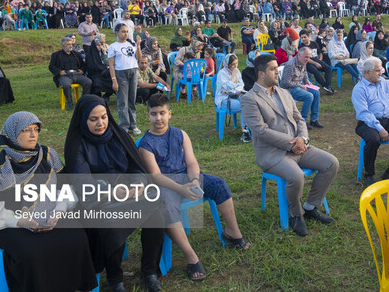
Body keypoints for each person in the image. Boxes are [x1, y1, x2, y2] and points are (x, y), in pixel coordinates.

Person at [0, 112, 98, 292]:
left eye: (36, 129)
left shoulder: (48, 155)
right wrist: (21, 221)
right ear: (12, 134)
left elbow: (65, 189)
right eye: (26, 130)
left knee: (77, 238)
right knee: (33, 252)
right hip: (11, 222)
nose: (33, 134)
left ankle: (72, 286)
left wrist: (58, 211)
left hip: (51, 212)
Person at [138, 94, 250, 282]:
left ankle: (233, 232)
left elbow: (191, 162)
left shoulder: (180, 134)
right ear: (148, 116)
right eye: (154, 114)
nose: (159, 118)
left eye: (162, 113)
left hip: (186, 177)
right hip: (165, 185)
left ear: (170, 114)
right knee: (166, 207)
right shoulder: (145, 144)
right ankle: (191, 257)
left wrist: (195, 182)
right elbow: (156, 177)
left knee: (219, 184)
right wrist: (181, 189)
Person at [64, 96, 166, 292]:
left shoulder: (118, 135)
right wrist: (114, 192)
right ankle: (115, 279)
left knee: (157, 213)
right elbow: (84, 185)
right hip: (97, 200)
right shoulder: (77, 145)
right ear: (83, 120)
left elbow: (136, 167)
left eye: (104, 117)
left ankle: (149, 271)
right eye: (93, 119)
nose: (101, 123)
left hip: (129, 193)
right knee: (112, 222)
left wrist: (137, 184)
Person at [242, 54, 338, 237]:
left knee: (331, 163)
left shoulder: (284, 92)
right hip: (272, 154)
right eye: (272, 69)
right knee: (296, 176)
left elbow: (299, 118)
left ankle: (310, 207)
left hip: (299, 147)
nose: (277, 72)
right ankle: (296, 214)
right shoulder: (249, 98)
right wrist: (291, 143)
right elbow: (260, 131)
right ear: (261, 73)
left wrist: (303, 139)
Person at [352, 57, 389, 187]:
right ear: (367, 72)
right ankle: (369, 173)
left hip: (387, 119)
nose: (381, 73)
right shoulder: (359, 89)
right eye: (377, 70)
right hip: (367, 123)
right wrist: (380, 129)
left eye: (381, 69)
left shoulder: (383, 82)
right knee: (373, 140)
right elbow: (364, 113)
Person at [108, 23, 143, 135]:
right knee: (123, 100)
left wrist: (138, 45)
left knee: (131, 99)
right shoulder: (113, 46)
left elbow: (139, 58)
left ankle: (133, 125)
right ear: (117, 32)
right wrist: (114, 80)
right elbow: (112, 65)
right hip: (121, 73)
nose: (125, 34)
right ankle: (124, 125)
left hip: (133, 71)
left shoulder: (131, 44)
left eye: (127, 31)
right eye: (123, 31)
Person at [215, 54, 251, 143]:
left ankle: (249, 128)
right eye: (233, 64)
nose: (235, 66)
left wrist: (232, 90)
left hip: (235, 95)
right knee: (244, 106)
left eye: (236, 63)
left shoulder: (236, 71)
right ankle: (244, 132)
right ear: (227, 64)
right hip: (223, 99)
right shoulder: (222, 73)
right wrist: (233, 77)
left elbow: (241, 85)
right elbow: (228, 87)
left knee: (249, 102)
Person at [49, 36, 92, 110]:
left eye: (71, 44)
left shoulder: (76, 54)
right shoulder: (56, 55)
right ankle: (69, 102)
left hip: (77, 74)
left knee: (88, 82)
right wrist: (59, 72)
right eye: (68, 44)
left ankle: (83, 101)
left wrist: (82, 70)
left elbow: (83, 64)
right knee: (66, 85)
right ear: (63, 46)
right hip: (65, 75)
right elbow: (51, 66)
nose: (71, 46)